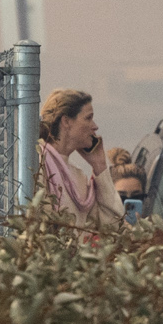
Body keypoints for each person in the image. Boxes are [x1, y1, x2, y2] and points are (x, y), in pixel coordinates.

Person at [36, 88, 115, 224]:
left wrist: (99, 166)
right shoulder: (38, 163)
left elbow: (113, 224)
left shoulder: (79, 176)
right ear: (66, 121)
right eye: (88, 118)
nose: (95, 126)